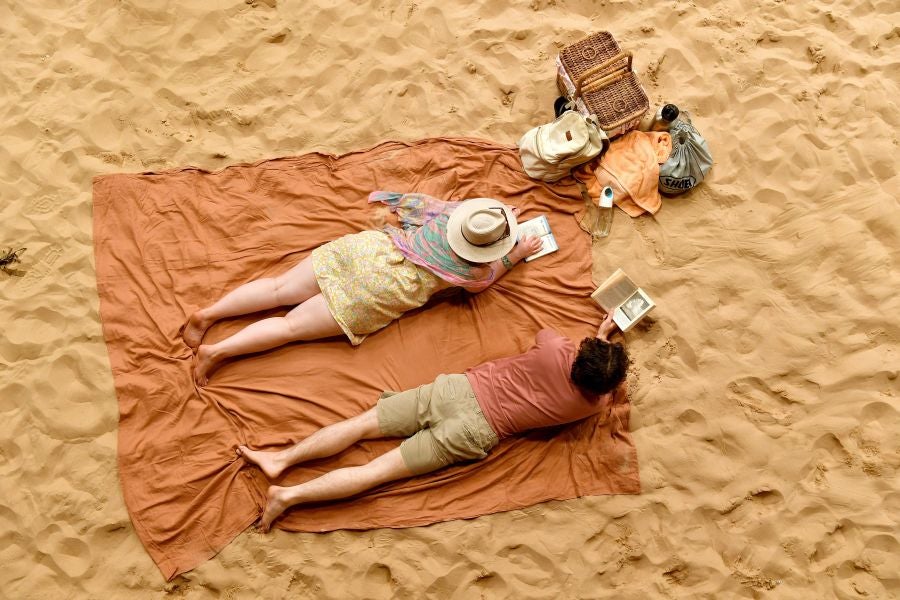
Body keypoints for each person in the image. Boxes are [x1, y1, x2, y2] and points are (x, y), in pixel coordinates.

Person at [238, 312, 627, 531]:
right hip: (476, 432)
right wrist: (603, 359)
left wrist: (597, 335)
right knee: (376, 472)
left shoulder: (555, 351)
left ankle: (283, 459)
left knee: (361, 426)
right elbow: (604, 393)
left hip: (457, 391)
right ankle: (287, 497)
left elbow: (546, 334)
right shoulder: (591, 406)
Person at [184, 192, 543, 385]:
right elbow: (486, 282)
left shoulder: (451, 213)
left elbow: (415, 207)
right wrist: (515, 255)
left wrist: (494, 216)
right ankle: (217, 352)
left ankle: (208, 315)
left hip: (367, 252)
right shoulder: (472, 271)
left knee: (278, 289)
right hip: (379, 292)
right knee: (289, 327)